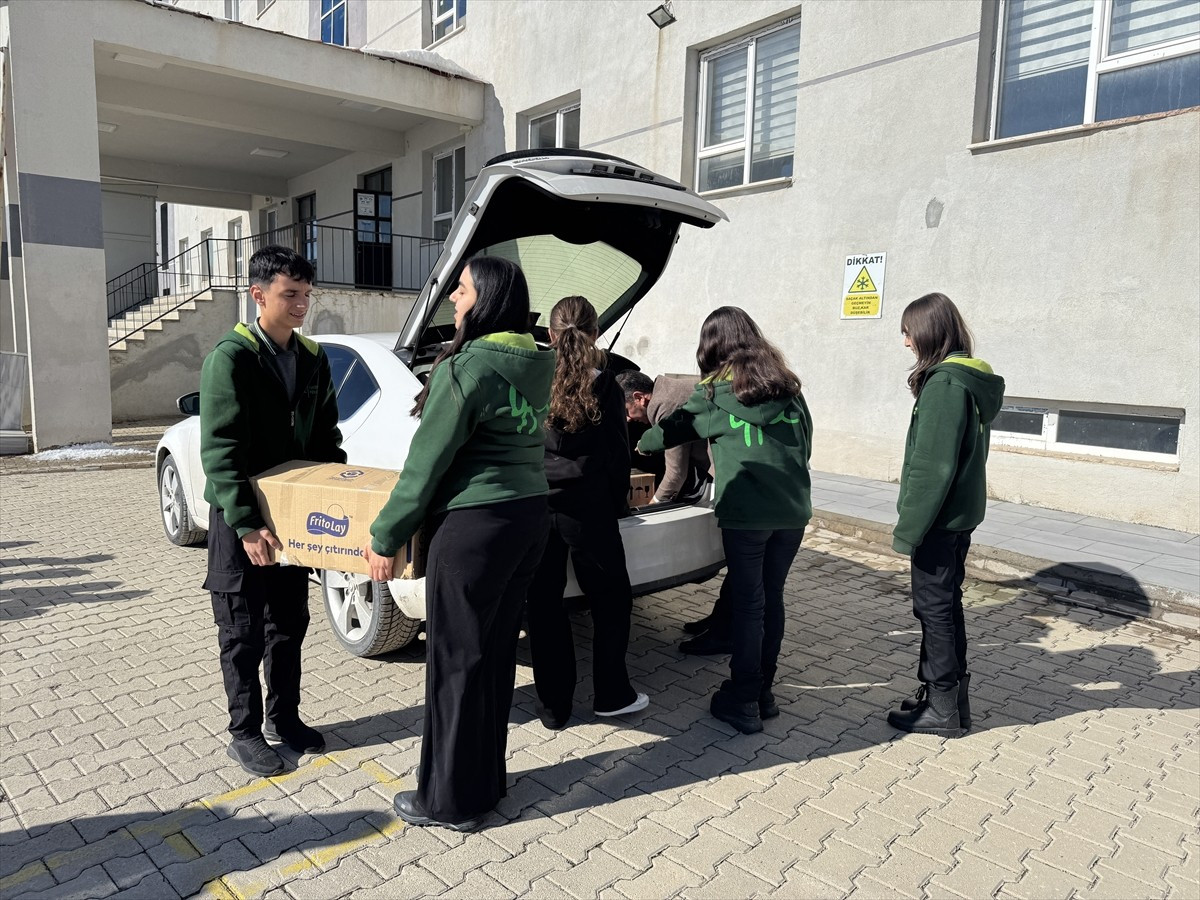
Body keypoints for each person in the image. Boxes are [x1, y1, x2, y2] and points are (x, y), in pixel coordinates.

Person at [365, 256, 554, 832]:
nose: (453, 299)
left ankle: (448, 801)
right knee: (491, 657)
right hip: (527, 520)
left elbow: (425, 466)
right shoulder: (540, 360)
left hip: (473, 529)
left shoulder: (467, 368)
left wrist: (385, 535)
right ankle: (484, 781)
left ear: (487, 300)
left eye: (463, 290)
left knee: (453, 663)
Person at [199, 245, 345, 777]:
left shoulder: (312, 357)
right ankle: (244, 732)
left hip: (293, 514)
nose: (302, 304)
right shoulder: (230, 358)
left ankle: (286, 718)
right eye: (290, 295)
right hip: (241, 517)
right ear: (258, 295)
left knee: (289, 622)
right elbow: (219, 448)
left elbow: (327, 437)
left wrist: (334, 498)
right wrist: (245, 523)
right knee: (241, 630)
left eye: (307, 294)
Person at [637, 306, 812, 734]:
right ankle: (764, 693)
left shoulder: (715, 392)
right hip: (791, 510)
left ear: (711, 347)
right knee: (772, 600)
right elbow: (805, 445)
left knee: (750, 606)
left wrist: (642, 440)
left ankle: (744, 697)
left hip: (746, 514)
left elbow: (668, 432)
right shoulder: (788, 388)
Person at [527, 296, 649, 731]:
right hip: (589, 510)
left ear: (550, 335)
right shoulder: (607, 386)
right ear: (595, 335)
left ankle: (553, 707)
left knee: (543, 605)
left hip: (539, 507)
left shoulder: (533, 378)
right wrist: (618, 504)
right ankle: (612, 695)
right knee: (612, 602)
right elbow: (618, 455)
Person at [886, 292, 1004, 738]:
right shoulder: (967, 380)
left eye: (908, 332)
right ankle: (950, 701)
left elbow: (932, 466)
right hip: (958, 516)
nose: (905, 342)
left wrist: (908, 529)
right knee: (946, 607)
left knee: (933, 611)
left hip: (938, 519)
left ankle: (942, 709)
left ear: (929, 332)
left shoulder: (945, 385)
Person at [617, 370, 727, 655]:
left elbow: (675, 473)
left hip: (726, 478)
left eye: (627, 410)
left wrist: (651, 507)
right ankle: (720, 620)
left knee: (743, 568)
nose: (628, 419)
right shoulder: (669, 389)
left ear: (640, 398)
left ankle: (725, 629)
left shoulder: (666, 405)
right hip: (726, 477)